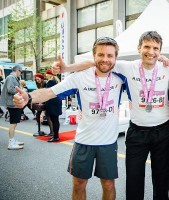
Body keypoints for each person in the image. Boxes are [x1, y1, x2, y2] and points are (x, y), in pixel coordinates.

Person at [52, 31, 169, 200]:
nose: (151, 51)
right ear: (139, 48)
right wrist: (67, 68)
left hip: (163, 130)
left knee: (162, 179)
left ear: (160, 51)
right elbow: (96, 62)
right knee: (134, 179)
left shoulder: (168, 68)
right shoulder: (126, 66)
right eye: (147, 46)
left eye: (156, 48)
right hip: (137, 131)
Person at [13, 37, 126, 200]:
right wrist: (28, 97)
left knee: (108, 184)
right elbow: (50, 92)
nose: (105, 59)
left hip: (108, 143)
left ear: (116, 57)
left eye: (110, 56)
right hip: (83, 141)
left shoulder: (121, 76)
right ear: (93, 57)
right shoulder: (80, 77)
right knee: (79, 183)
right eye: (100, 55)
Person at [0, 65, 24, 150]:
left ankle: (12, 140)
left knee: (14, 123)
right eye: (21, 72)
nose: (20, 74)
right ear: (18, 70)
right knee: (13, 123)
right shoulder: (11, 77)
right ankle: (11, 142)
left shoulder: (12, 77)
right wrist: (22, 92)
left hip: (13, 103)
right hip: (12, 103)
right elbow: (10, 89)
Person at [44, 69, 62, 142]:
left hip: (52, 101)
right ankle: (55, 135)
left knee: (53, 120)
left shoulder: (51, 82)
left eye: (46, 74)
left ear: (49, 74)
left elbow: (47, 92)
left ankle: (55, 136)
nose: (45, 75)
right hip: (57, 101)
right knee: (56, 120)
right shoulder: (57, 81)